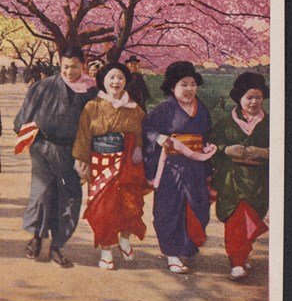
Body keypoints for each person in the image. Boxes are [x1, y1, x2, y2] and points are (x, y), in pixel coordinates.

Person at [13, 45, 97, 268]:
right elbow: (22, 119)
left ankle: (57, 246)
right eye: (66, 67)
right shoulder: (44, 87)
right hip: (44, 148)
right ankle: (36, 238)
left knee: (69, 197)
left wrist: (86, 155)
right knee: (42, 193)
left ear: (83, 65)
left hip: (74, 152)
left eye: (75, 67)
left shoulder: (91, 91)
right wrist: (30, 135)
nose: (70, 72)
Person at [142, 61, 216, 274]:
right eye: (184, 84)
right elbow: (147, 130)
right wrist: (158, 138)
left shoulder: (201, 110)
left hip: (195, 167)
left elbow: (207, 134)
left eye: (193, 84)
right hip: (171, 168)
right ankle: (172, 254)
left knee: (198, 207)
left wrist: (208, 146)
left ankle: (186, 247)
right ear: (173, 87)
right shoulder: (163, 110)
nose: (189, 89)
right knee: (169, 209)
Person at [72, 63, 147, 270]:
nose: (116, 82)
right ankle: (106, 250)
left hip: (125, 163)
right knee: (103, 209)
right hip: (100, 162)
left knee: (129, 204)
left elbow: (141, 133)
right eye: (111, 78)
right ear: (103, 81)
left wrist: (139, 147)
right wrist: (81, 160)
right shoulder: (92, 106)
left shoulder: (133, 108)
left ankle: (124, 238)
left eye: (120, 78)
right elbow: (83, 135)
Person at [209, 72, 269, 280]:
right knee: (236, 221)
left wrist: (264, 152)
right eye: (249, 97)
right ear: (239, 98)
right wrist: (226, 149)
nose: (253, 102)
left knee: (253, 219)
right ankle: (237, 262)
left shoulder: (270, 122)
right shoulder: (226, 122)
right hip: (231, 180)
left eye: (258, 97)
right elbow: (211, 145)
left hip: (259, 182)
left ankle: (242, 255)